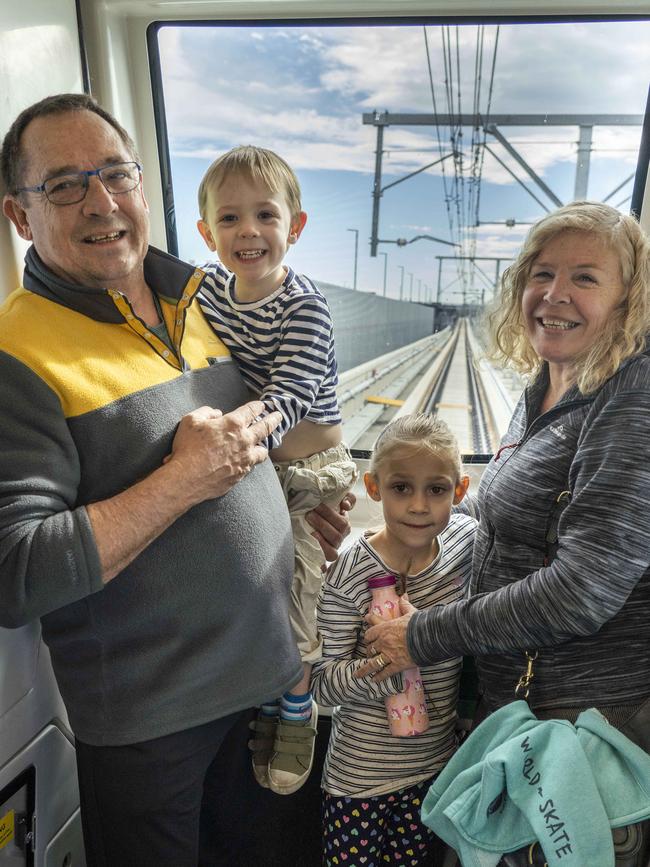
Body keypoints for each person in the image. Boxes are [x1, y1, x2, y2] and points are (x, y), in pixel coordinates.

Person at [0, 93, 351, 867]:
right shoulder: (16, 351)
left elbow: (267, 429)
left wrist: (293, 500)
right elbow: (16, 572)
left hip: (268, 691)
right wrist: (182, 480)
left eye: (116, 174)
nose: (100, 201)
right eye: (63, 184)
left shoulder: (199, 300)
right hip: (154, 724)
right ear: (20, 216)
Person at [356, 201, 650, 865]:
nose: (553, 295)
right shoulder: (546, 387)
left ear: (629, 298)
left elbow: (583, 590)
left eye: (585, 278)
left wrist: (421, 636)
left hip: (582, 729)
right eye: (540, 274)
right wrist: (404, 532)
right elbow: (504, 517)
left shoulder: (632, 396)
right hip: (518, 713)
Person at [196, 145, 357, 795]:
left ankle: (299, 710)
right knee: (243, 589)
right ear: (207, 234)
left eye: (266, 214)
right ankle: (267, 687)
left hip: (310, 470)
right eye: (229, 219)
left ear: (295, 226)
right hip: (259, 465)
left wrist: (233, 438)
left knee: (295, 593)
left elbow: (288, 396)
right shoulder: (206, 289)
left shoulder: (305, 306)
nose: (249, 231)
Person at [311, 414, 476, 866]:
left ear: (459, 492)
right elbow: (323, 683)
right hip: (361, 778)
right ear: (373, 486)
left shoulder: (465, 546)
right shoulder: (350, 574)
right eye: (402, 487)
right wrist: (390, 668)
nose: (419, 506)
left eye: (437, 489)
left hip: (434, 767)